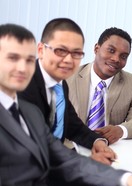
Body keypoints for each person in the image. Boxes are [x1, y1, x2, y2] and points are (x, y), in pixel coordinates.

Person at [0, 23, 132, 186]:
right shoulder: (29, 95)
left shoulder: (29, 111)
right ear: (42, 51)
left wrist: (127, 179)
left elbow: (64, 157)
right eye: (11, 58)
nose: (23, 68)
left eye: (27, 60)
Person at [18, 18, 115, 165]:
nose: (69, 60)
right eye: (60, 51)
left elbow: (73, 126)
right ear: (41, 50)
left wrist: (98, 142)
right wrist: (87, 162)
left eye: (76, 53)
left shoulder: (60, 83)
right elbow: (35, 147)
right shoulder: (21, 84)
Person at [67, 27, 132, 145]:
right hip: (70, 148)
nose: (116, 59)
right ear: (96, 48)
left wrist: (120, 130)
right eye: (111, 50)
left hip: (109, 150)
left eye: (123, 56)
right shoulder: (67, 77)